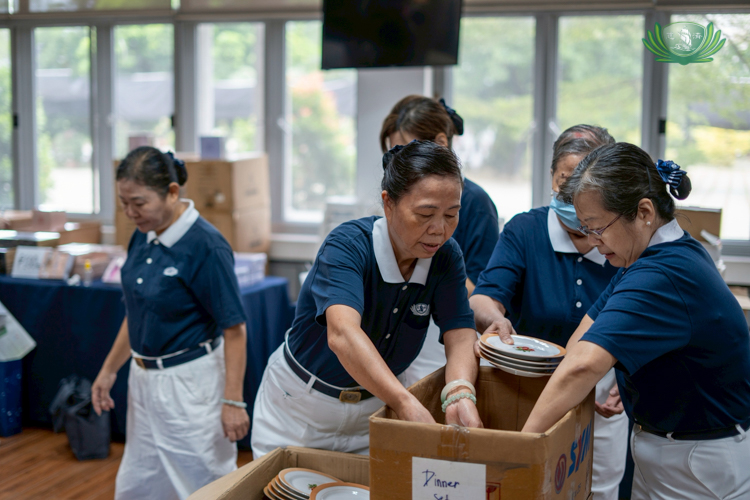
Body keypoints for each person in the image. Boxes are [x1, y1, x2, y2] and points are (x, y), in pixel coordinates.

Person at [522, 142, 750, 499]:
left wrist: (518, 450)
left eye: (597, 227)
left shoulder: (664, 272)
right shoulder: (644, 258)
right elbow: (584, 334)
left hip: (698, 461)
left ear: (644, 211)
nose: (593, 241)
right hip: (671, 450)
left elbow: (583, 365)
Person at [251, 140, 483, 458]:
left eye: (452, 214)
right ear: (388, 204)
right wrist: (403, 402)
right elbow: (343, 334)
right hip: (301, 409)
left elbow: (459, 332)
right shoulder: (347, 246)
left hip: (373, 408)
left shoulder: (445, 257)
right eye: (425, 214)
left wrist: (460, 392)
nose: (439, 230)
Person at [470, 125, 628, 500]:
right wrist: (494, 317)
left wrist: (629, 374)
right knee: (525, 486)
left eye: (586, 186)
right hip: (527, 391)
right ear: (551, 177)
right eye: (564, 181)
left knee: (597, 491)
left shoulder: (623, 241)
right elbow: (482, 298)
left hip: (599, 400)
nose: (572, 197)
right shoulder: (526, 230)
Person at [91, 147, 250, 500]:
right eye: (123, 204)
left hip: (189, 383)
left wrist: (234, 401)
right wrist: (109, 369)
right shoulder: (142, 234)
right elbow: (136, 311)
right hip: (144, 380)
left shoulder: (206, 246)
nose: (131, 213)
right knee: (140, 481)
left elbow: (234, 329)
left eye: (139, 203)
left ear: (173, 192)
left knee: (204, 481)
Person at [380, 95, 499, 385]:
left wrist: (437, 277)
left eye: (406, 149)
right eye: (392, 152)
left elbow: (481, 288)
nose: (437, 227)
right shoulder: (398, 199)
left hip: (442, 333)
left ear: (441, 142)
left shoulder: (476, 204)